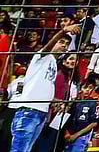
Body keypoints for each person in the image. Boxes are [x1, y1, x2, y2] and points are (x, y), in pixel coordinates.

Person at [8, 24, 78, 152]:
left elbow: (43, 87)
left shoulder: (54, 64)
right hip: (29, 111)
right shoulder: (42, 56)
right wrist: (63, 31)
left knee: (26, 149)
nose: (64, 46)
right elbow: (47, 48)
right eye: (61, 42)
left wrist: (54, 100)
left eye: (67, 44)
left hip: (41, 113)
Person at [62, 75, 99, 152]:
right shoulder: (74, 102)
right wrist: (67, 133)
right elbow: (66, 118)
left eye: (90, 88)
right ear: (80, 88)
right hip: (69, 135)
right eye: (85, 87)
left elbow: (94, 123)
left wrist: (76, 135)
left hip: (82, 137)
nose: (87, 90)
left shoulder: (93, 103)